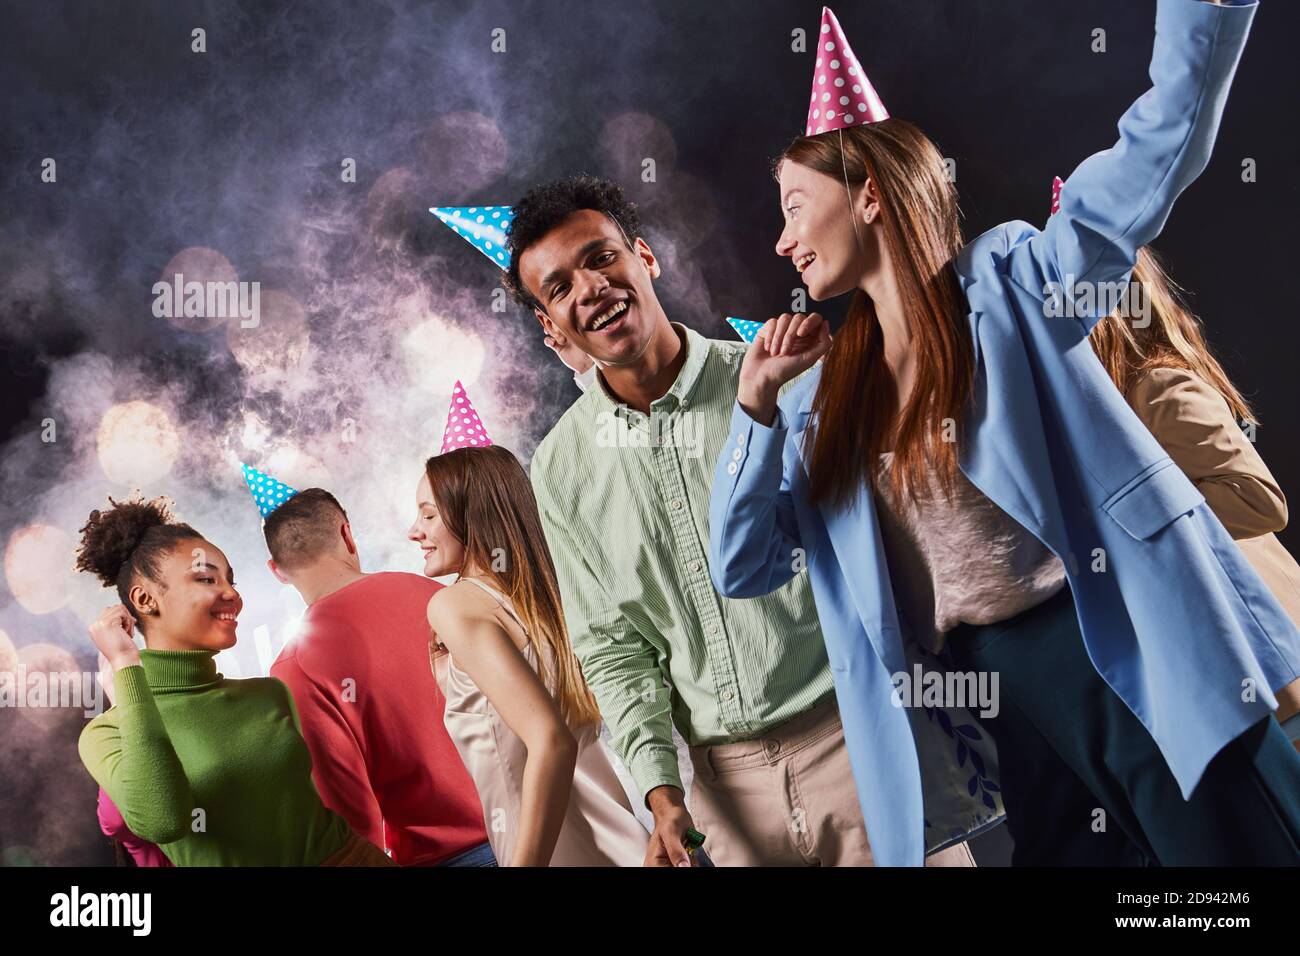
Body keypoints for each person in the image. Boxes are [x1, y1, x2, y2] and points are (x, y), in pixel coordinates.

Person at [710, 0, 1300, 866]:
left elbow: (1153, 157)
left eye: (797, 206)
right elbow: (744, 564)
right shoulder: (817, 403)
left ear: (870, 194)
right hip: (1001, 694)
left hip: (1122, 635)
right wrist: (754, 408)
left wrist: (1207, 15)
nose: (782, 239)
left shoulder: (1012, 280)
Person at [509, 174, 991, 866]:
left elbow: (895, 542)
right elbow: (613, 647)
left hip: (855, 742)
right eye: (558, 288)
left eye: (600, 257)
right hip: (724, 798)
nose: (589, 289)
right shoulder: (559, 471)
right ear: (550, 324)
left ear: (644, 257)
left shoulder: (789, 382)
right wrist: (662, 793)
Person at [75, 494, 391, 866]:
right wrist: (126, 663)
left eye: (230, 580)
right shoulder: (106, 734)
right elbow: (163, 820)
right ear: (145, 600)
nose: (231, 594)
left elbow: (344, 797)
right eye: (207, 578)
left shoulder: (270, 694)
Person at [1087, 244, 1300, 750]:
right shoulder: (1124, 405)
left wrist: (1135, 530)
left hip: (1279, 662)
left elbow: (1258, 499)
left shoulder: (1155, 387)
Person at [409, 443, 650, 866]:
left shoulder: (454, 604)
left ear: (473, 515)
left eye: (429, 515)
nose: (414, 531)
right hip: (624, 837)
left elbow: (550, 741)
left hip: (552, 852)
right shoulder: (551, 597)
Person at [262, 486, 494, 866]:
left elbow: (351, 820)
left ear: (278, 572)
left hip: (443, 856)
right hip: (538, 821)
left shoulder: (294, 669)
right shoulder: (434, 594)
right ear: (346, 534)